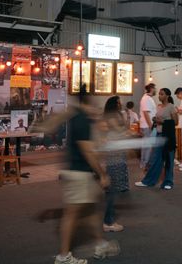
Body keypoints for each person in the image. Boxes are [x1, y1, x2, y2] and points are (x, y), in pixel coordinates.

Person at [55, 89, 119, 264]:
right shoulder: (81, 120)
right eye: (94, 104)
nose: (96, 108)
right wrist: (102, 174)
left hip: (80, 173)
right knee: (71, 214)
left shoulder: (78, 117)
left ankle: (100, 244)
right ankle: (63, 257)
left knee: (91, 210)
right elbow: (87, 151)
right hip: (78, 173)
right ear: (87, 103)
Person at [135, 88, 178, 189]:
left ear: (167, 96)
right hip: (158, 135)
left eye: (162, 94)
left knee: (169, 159)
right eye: (159, 94)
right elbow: (157, 119)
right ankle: (148, 181)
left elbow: (176, 122)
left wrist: (163, 122)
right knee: (155, 159)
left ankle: (168, 182)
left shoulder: (171, 107)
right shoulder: (158, 107)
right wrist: (155, 120)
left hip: (168, 136)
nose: (159, 96)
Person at [101, 96, 130, 233]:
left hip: (118, 150)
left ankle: (109, 219)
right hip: (114, 152)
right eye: (118, 102)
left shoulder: (117, 114)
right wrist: (127, 133)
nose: (120, 104)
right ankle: (108, 221)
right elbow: (120, 130)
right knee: (112, 187)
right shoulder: (111, 116)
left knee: (113, 186)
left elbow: (123, 129)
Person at [139, 83, 157, 169]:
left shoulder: (148, 98)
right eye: (155, 88)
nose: (156, 90)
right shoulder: (146, 98)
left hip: (148, 125)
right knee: (147, 146)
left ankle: (146, 163)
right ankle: (145, 164)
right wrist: (150, 125)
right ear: (151, 89)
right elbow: (146, 113)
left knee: (148, 145)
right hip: (147, 125)